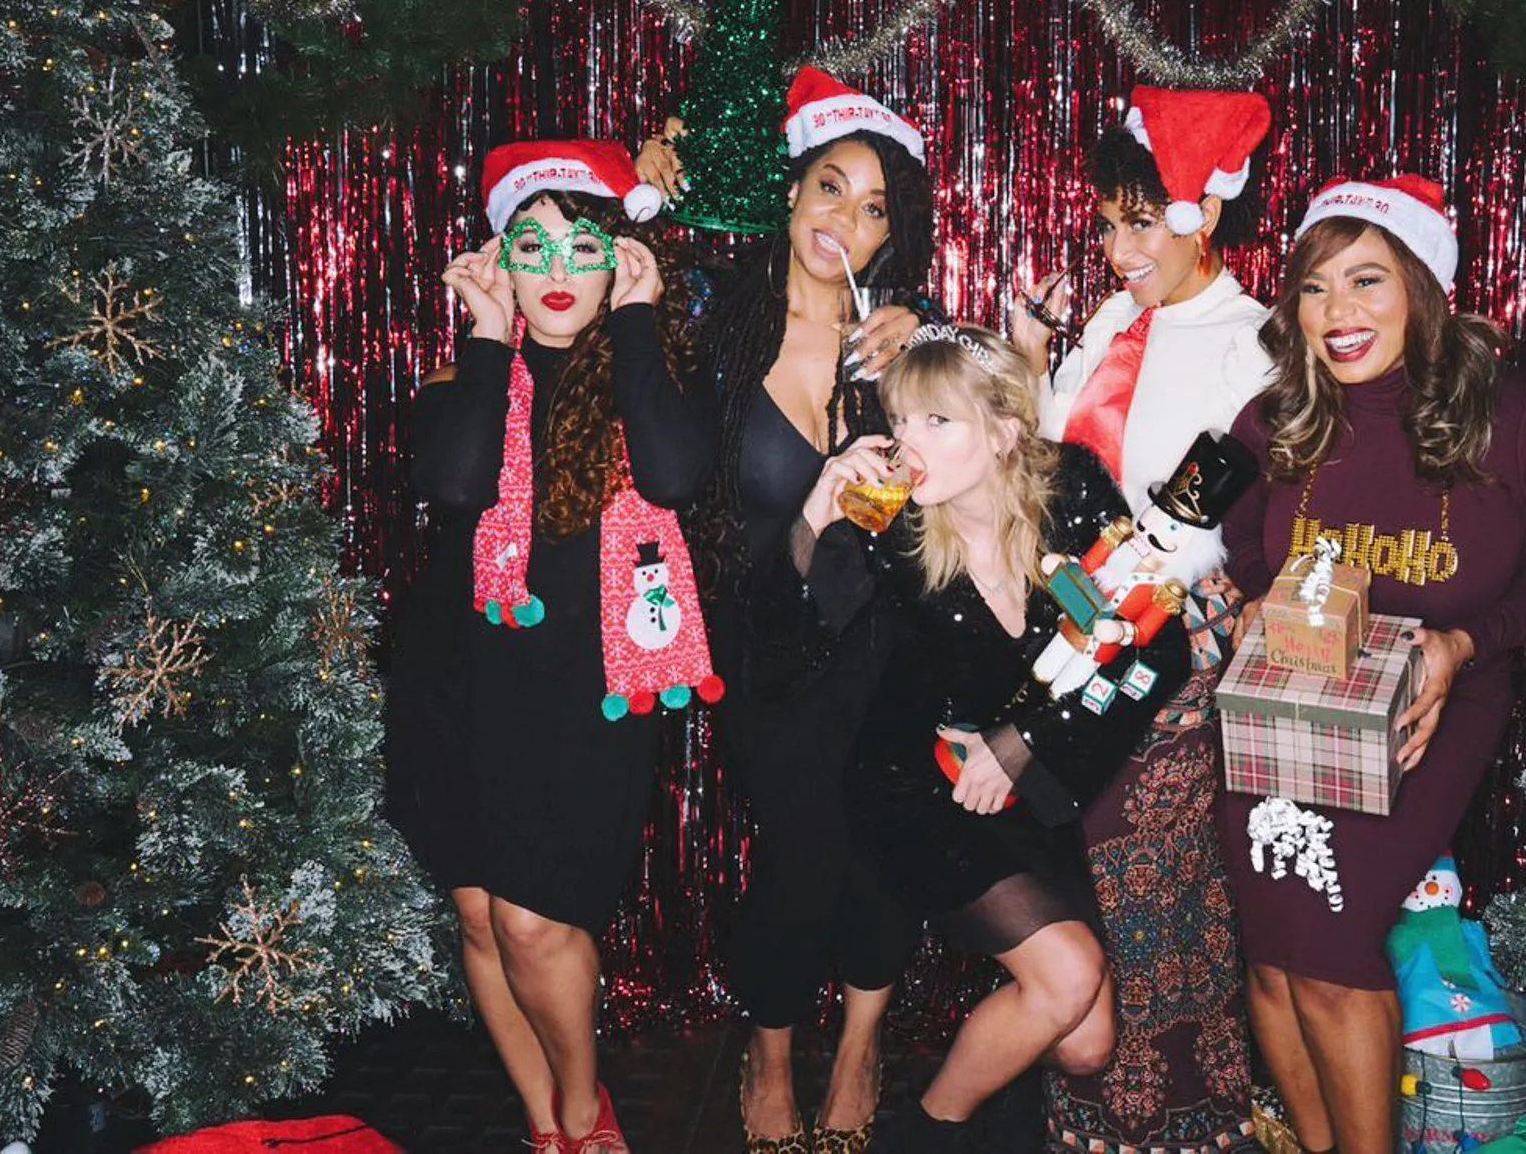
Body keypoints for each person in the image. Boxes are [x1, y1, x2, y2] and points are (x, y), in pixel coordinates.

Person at [1214, 177, 1526, 1154]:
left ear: (1424, 288)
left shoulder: (1521, 420)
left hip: (1434, 701)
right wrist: (1255, 599)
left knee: (1334, 949)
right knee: (1270, 959)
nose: (1336, 313)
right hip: (1286, 702)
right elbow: (1238, 544)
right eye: (1313, 287)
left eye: (1365, 281)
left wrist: (1460, 644)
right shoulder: (1270, 420)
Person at [745, 324, 1207, 1153]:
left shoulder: (1072, 490)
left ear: (1002, 433)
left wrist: (1021, 743)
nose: (905, 445)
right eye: (900, 421)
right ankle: (926, 1136)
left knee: (1086, 1039)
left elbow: (1156, 647)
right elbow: (781, 655)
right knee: (1065, 977)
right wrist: (813, 514)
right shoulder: (887, 524)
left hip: (1029, 778)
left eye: (936, 422)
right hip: (913, 790)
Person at [385, 140, 715, 1154]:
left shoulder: (649, 373)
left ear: (622, 259)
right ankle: (542, 1121)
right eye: (533, 249)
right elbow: (453, 484)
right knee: (481, 918)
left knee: (534, 920)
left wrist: (636, 321)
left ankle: (583, 1102)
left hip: (585, 693)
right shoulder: (466, 373)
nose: (559, 271)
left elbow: (668, 476)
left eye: (585, 247)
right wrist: (488, 338)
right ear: (501, 264)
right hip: (455, 685)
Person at [635, 68, 936, 1153]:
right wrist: (649, 187)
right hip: (769, 643)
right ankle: (768, 1057)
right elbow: (625, 312)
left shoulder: (906, 333)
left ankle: (857, 1049)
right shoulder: (715, 312)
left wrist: (927, 364)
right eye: (827, 187)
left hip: (894, 645)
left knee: (883, 853)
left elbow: (968, 473)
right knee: (802, 849)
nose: (842, 221)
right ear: (790, 189)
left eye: (871, 209)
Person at [1010, 86, 1275, 1151]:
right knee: (1088, 879)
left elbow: (1194, 531)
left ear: (1201, 213)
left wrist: (1088, 602)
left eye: (1137, 220)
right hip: (1075, 630)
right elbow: (1052, 462)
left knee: (1150, 883)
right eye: (1107, 221)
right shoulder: (1119, 318)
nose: (1116, 246)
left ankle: (1179, 1117)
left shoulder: (1249, 347)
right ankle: (1088, 1113)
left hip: (1162, 650)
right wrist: (1030, 364)